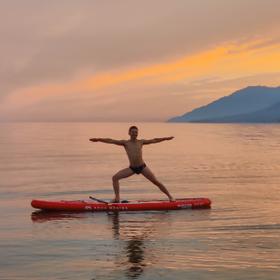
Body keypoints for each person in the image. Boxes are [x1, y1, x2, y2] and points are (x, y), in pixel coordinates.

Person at [89, 126, 175, 202]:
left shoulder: (141, 142)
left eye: (136, 132)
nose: (135, 133)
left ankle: (170, 197)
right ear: (129, 133)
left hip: (142, 167)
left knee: (156, 182)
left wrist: (166, 138)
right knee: (115, 178)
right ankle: (117, 198)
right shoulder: (125, 143)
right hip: (132, 168)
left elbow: (154, 140)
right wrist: (98, 139)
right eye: (133, 132)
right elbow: (111, 140)